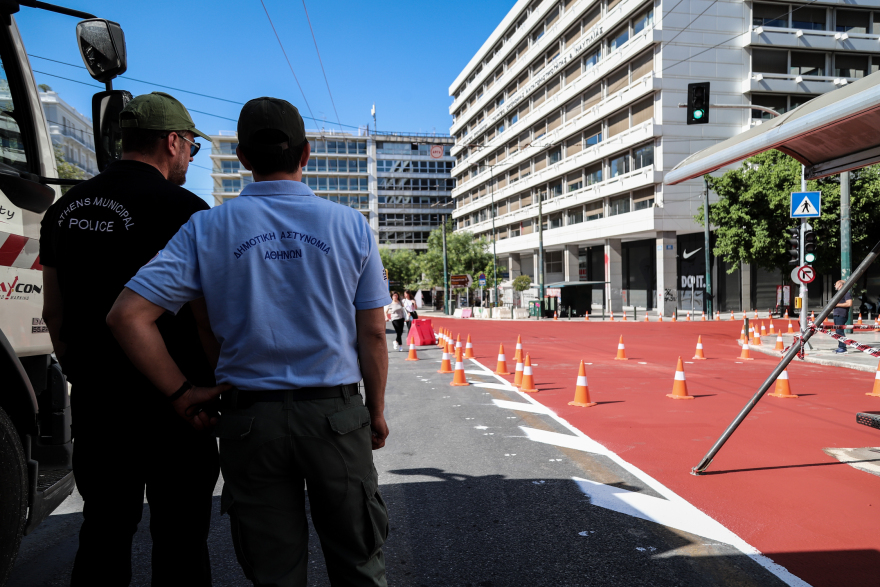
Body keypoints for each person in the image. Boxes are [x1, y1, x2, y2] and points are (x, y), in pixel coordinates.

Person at [106, 97, 390, 587]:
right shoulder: (350, 227)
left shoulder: (207, 227)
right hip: (335, 418)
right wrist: (376, 410)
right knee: (359, 563)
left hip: (248, 423)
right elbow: (372, 332)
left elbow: (127, 316)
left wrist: (181, 392)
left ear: (241, 158)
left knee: (273, 572)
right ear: (305, 155)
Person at [39, 92, 219, 586]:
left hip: (100, 405)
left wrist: (83, 373)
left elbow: (54, 313)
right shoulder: (184, 209)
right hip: (176, 407)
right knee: (181, 540)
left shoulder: (65, 209)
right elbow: (205, 321)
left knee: (102, 534)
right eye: (191, 149)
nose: (189, 158)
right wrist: (207, 388)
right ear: (173, 142)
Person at [833, 279, 853, 354]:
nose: (834, 285)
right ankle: (841, 347)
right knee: (838, 331)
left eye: (835, 284)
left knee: (839, 331)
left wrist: (836, 305)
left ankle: (842, 348)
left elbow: (849, 303)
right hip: (837, 314)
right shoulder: (839, 293)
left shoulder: (846, 293)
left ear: (840, 285)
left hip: (841, 315)